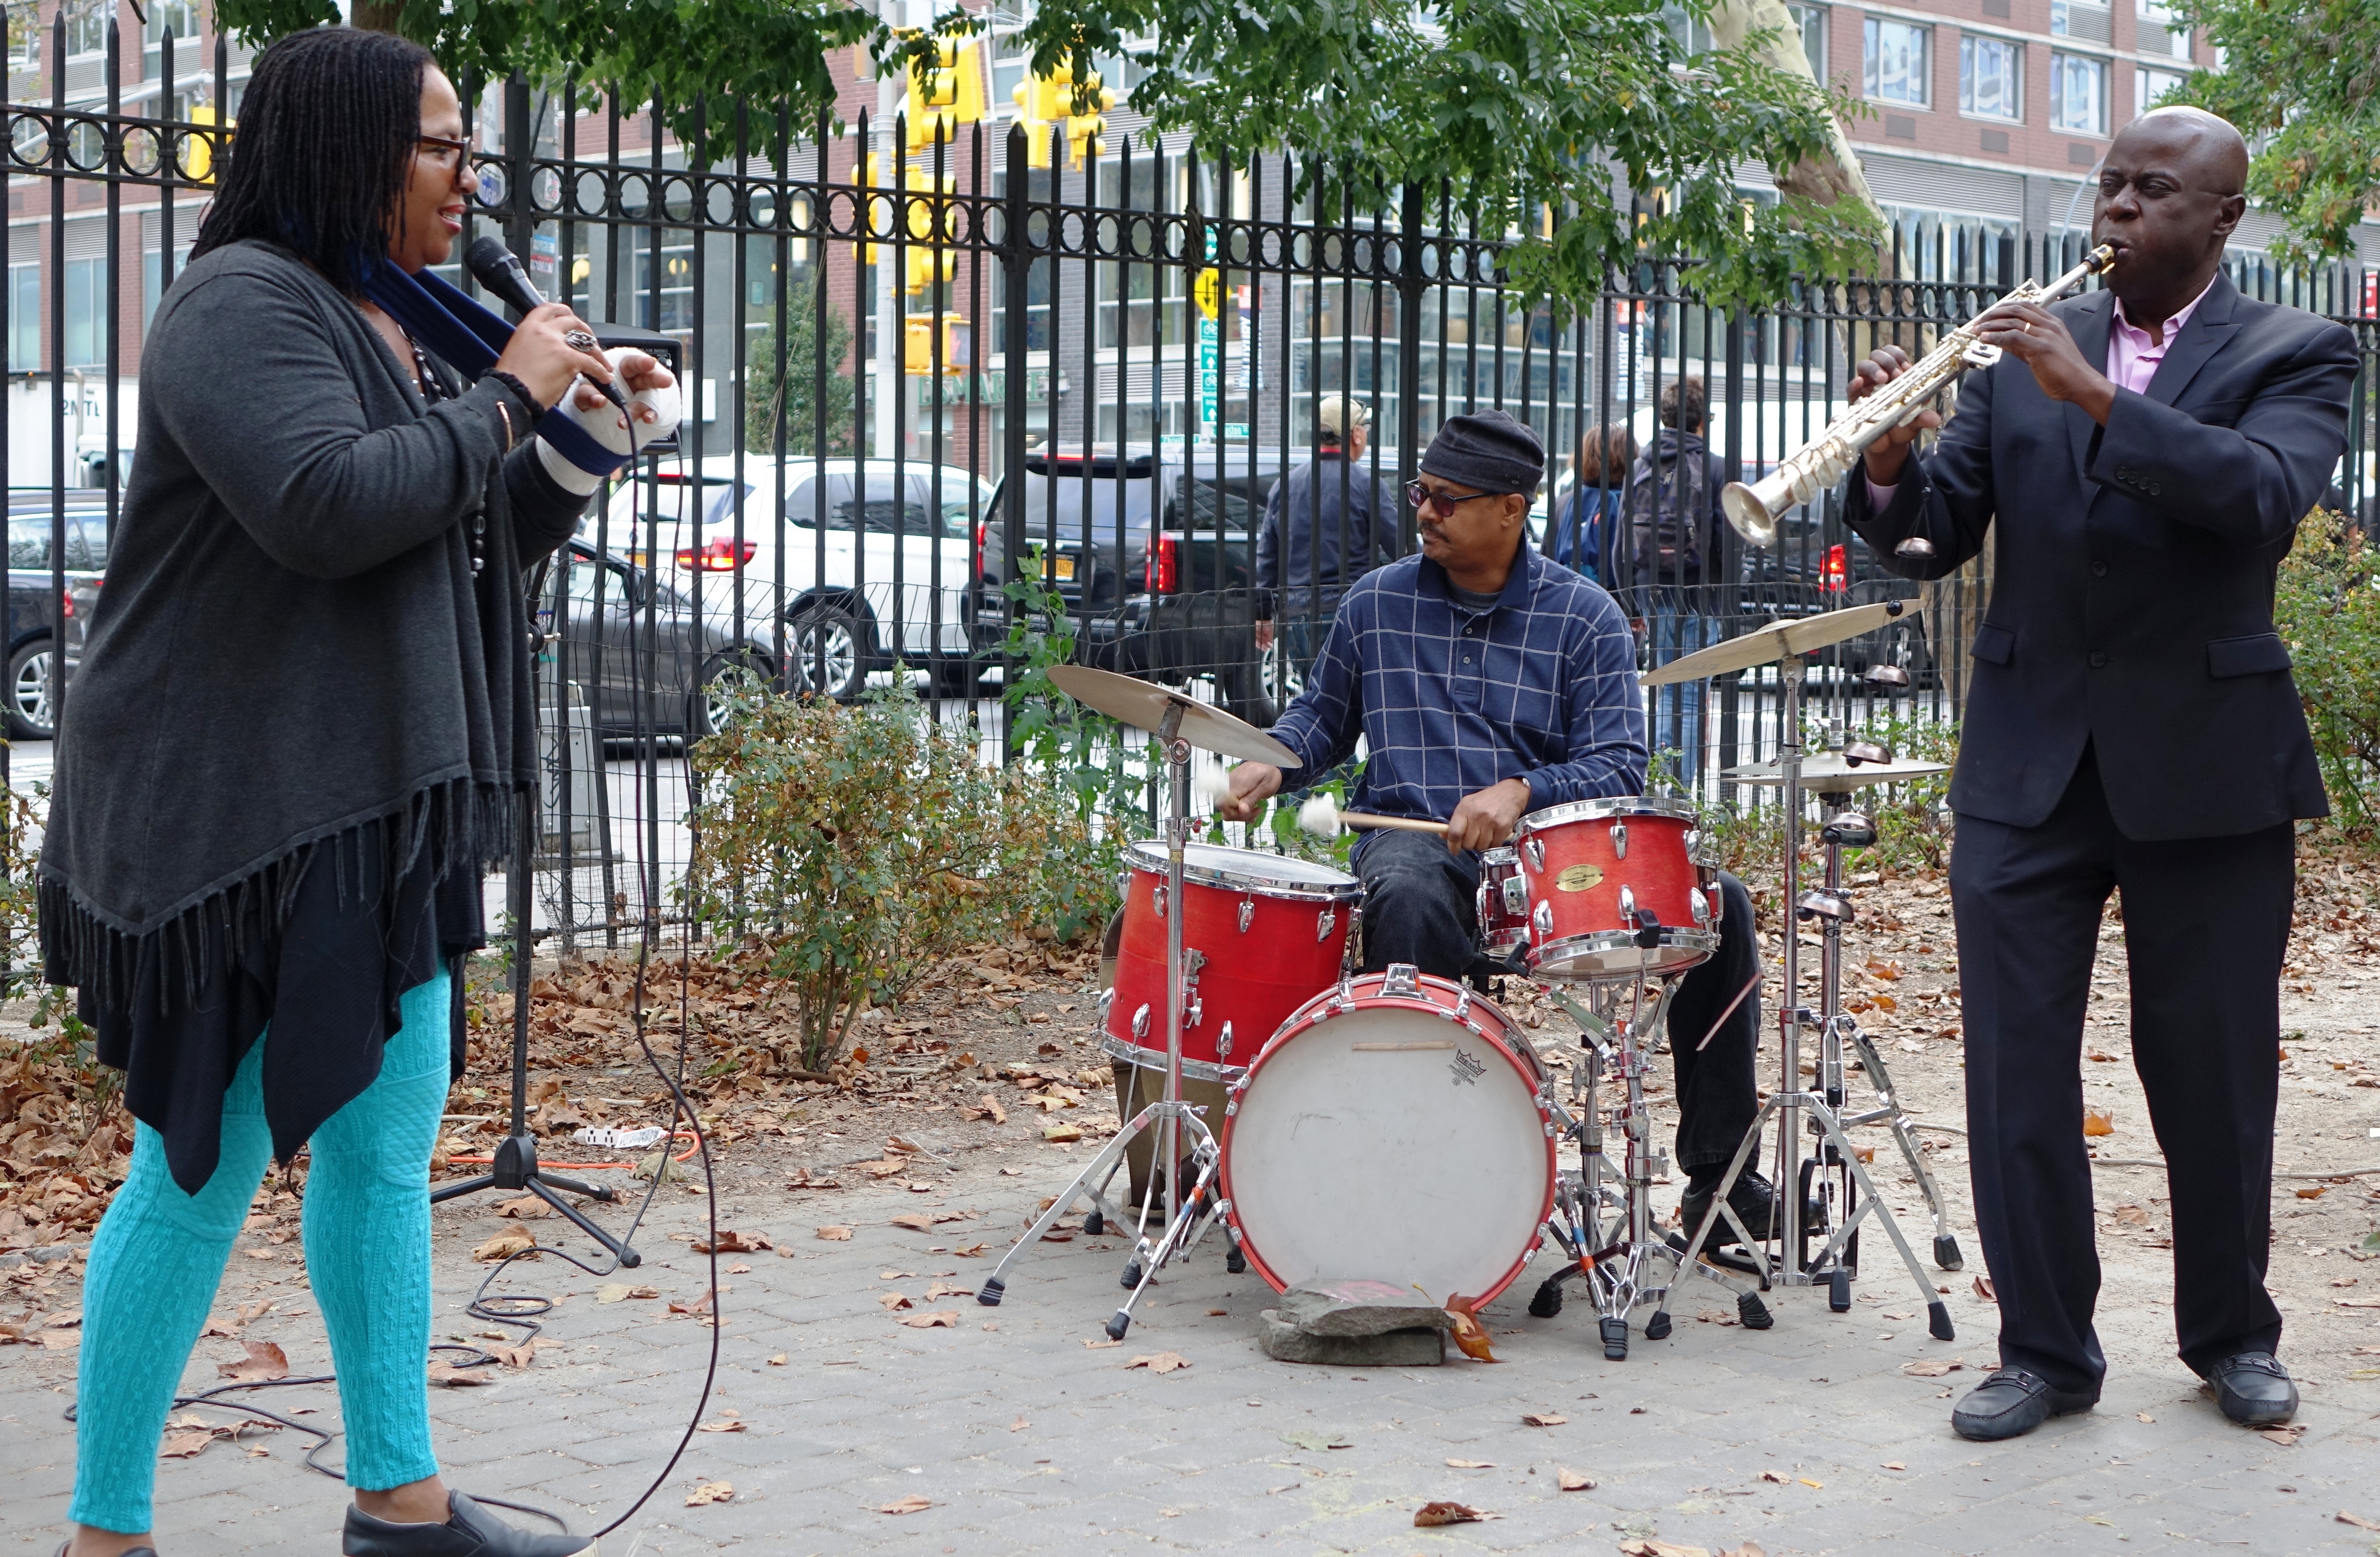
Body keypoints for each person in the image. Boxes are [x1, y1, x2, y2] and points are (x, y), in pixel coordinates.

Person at [37, 29, 676, 1557]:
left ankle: (398, 1493)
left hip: (367, 801)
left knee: (388, 1146)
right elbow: (328, 509)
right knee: (204, 1161)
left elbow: (454, 548)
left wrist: (583, 433)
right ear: (347, 152)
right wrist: (508, 398)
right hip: (233, 815)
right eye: (442, 145)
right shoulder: (235, 306)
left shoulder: (391, 322)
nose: (470, 176)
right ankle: (103, 1530)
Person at [1841, 106, 2356, 1442]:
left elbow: (2255, 495)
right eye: (2108, 186)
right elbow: (1930, 542)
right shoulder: (2017, 359)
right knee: (2014, 1073)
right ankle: (2043, 1350)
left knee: (2209, 1071)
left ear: (2221, 216)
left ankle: (2229, 1336)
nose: (2115, 212)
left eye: (2150, 192)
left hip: (2207, 767)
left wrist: (2091, 393)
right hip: (2023, 765)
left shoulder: (2295, 350)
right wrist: (1890, 471)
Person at [1219, 408, 1797, 1247]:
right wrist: (1269, 759)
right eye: (1421, 491)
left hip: (1551, 861)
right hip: (1414, 838)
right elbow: (1319, 718)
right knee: (1408, 892)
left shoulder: (1584, 615)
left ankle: (1723, 1184)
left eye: (1448, 500)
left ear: (1511, 509)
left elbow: (1618, 763)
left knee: (1724, 908)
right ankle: (1410, 1164)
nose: (1424, 512)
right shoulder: (1374, 602)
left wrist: (1523, 790)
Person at [1619, 378, 1727, 786]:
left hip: (1652, 588)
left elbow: (1622, 538)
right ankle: (1680, 788)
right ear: (1701, 421)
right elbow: (1726, 535)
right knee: (1692, 689)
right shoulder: (1715, 466)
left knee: (1666, 683)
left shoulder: (1642, 464)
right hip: (1702, 591)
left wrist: (1630, 599)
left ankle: (1663, 779)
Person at [1254, 393, 1399, 684]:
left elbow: (1268, 556)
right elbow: (1399, 546)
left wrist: (1262, 615)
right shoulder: (1366, 485)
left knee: (1317, 699)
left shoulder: (1286, 485)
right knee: (1358, 701)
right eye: (1365, 429)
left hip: (1295, 613)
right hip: (1348, 613)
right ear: (1356, 435)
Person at [1547, 422, 1635, 587]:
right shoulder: (1631, 503)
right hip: (1613, 601)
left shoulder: (1564, 501)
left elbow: (1548, 557)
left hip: (1567, 597)